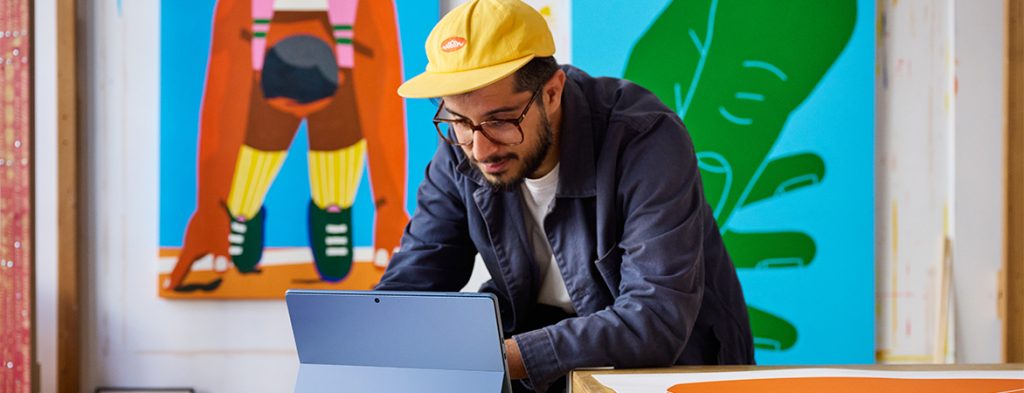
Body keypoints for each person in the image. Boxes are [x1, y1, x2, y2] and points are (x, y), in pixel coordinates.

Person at [375, 0, 754, 391]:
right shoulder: (463, 147)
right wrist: (367, 335)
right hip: (540, 371)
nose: (480, 148)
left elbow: (655, 317)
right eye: (457, 121)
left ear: (553, 93)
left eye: (501, 121)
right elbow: (415, 282)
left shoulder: (646, 139)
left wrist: (496, 358)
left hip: (672, 372)